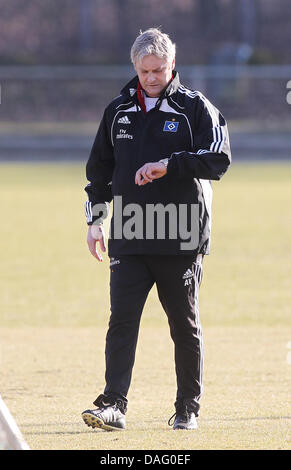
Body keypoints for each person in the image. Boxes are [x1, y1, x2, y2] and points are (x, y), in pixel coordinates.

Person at [82, 28, 231, 431]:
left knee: (183, 324)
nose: (151, 77)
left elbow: (218, 159)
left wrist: (169, 164)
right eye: (145, 70)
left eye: (159, 70)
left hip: (181, 234)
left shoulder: (195, 108)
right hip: (129, 235)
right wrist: (96, 221)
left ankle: (187, 408)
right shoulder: (117, 111)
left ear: (172, 65)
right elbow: (98, 173)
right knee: (122, 321)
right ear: (135, 66)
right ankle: (113, 404)